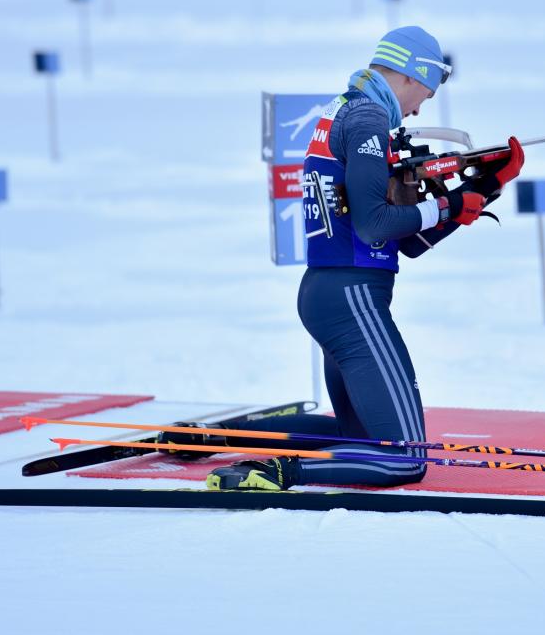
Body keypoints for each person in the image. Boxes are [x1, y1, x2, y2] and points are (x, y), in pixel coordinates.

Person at [165, 26, 525, 490]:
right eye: (427, 93)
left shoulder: (349, 110)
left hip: (333, 293)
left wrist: (482, 188)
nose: (420, 109)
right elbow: (376, 224)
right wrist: (449, 204)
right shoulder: (367, 119)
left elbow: (407, 242)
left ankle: (213, 437)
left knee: (359, 438)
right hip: (353, 297)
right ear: (412, 74)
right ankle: (277, 471)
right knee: (405, 458)